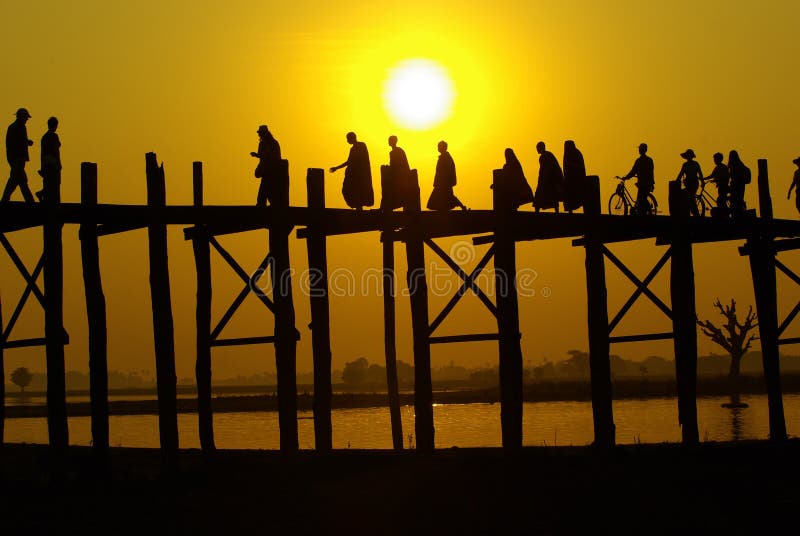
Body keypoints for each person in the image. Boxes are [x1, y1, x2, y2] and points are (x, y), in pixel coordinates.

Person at [330, 131, 374, 210]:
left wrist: (336, 168)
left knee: (353, 191)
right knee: (348, 191)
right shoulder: (354, 148)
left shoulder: (361, 146)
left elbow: (354, 161)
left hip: (357, 176)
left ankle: (358, 208)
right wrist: (337, 168)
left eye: (348, 139)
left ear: (352, 138)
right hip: (353, 175)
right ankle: (358, 207)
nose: (347, 141)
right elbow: (349, 161)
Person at [2, 107, 36, 203]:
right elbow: (19, 142)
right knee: (18, 180)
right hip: (18, 159)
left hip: (13, 158)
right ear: (22, 117)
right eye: (26, 118)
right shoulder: (20, 127)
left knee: (18, 180)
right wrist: (27, 142)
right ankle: (30, 202)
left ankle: (5, 200)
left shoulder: (12, 127)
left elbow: (11, 144)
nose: (27, 120)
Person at [426, 140, 467, 211]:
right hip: (442, 182)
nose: (438, 148)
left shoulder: (445, 157)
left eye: (439, 147)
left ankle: (462, 207)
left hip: (444, 183)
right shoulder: (445, 157)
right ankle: (460, 207)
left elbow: (446, 171)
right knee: (447, 197)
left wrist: (443, 182)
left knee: (446, 197)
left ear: (443, 148)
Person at [251, 125, 282, 206]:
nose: (259, 135)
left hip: (273, 172)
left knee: (265, 194)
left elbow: (272, 158)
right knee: (265, 195)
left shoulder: (273, 143)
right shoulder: (262, 144)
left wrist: (257, 155)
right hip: (265, 172)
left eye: (261, 133)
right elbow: (262, 158)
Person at [620, 142, 654, 214]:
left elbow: (633, 171)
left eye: (640, 149)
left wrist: (626, 177)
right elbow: (651, 172)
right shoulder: (649, 160)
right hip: (647, 183)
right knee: (640, 199)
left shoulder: (639, 161)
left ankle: (649, 212)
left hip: (644, 183)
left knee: (642, 199)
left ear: (641, 150)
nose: (639, 150)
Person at [382, 135, 411, 211]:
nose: (388, 142)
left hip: (400, 177)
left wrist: (388, 168)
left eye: (389, 140)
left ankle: (387, 206)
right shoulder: (398, 151)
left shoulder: (396, 151)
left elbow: (396, 165)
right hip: (400, 175)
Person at [533, 141, 563, 213]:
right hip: (551, 179)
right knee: (553, 197)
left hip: (548, 180)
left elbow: (544, 170)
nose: (537, 149)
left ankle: (536, 212)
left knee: (540, 196)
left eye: (537, 148)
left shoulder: (543, 157)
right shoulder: (549, 154)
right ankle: (556, 211)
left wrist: (541, 180)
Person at [36, 116, 61, 203]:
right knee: (55, 185)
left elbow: (42, 154)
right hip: (53, 164)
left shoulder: (44, 137)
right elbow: (55, 150)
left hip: (46, 164)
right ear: (55, 125)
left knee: (48, 183)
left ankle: (43, 196)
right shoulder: (54, 136)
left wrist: (42, 166)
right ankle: (43, 196)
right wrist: (59, 164)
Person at [676, 149, 703, 216]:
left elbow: (700, 174)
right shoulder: (685, 164)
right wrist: (676, 181)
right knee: (689, 198)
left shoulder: (695, 164)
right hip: (688, 183)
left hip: (694, 183)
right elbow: (681, 174)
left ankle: (695, 213)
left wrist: (702, 182)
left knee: (690, 197)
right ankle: (692, 212)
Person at [562, 140, 586, 213]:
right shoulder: (568, 154)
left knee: (578, 196)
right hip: (569, 179)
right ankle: (570, 211)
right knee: (569, 197)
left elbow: (580, 166)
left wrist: (572, 165)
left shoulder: (576, 153)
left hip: (576, 179)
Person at [704, 152, 729, 216]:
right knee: (721, 200)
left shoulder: (721, 167)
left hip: (723, 186)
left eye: (715, 159)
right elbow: (713, 175)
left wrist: (704, 179)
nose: (714, 160)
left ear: (718, 159)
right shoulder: (722, 167)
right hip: (723, 186)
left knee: (721, 200)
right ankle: (724, 213)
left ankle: (725, 213)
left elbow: (714, 175)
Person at [728, 150, 750, 216]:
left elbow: (731, 175)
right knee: (739, 199)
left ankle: (735, 214)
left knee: (734, 200)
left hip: (735, 185)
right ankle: (740, 213)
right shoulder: (740, 164)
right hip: (741, 185)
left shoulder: (733, 165)